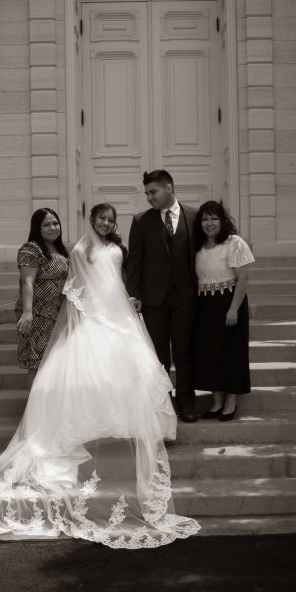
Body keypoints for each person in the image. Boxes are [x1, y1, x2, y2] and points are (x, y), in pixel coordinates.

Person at [0, 203, 200, 549]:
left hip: (120, 312)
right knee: (81, 370)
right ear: (91, 220)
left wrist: (129, 301)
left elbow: (121, 277)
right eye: (101, 218)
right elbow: (76, 285)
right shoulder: (80, 248)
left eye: (111, 220)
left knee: (132, 369)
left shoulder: (115, 247)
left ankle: (134, 423)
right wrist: (87, 313)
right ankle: (75, 423)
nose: (106, 223)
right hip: (94, 311)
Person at [126, 170, 198, 422]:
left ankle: (186, 402)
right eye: (147, 193)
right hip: (153, 299)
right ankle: (163, 404)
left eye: (153, 191)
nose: (149, 197)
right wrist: (134, 295)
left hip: (186, 297)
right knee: (159, 356)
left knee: (184, 352)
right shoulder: (141, 221)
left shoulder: (194, 216)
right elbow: (134, 262)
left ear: (168, 187)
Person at [191, 200, 255, 420]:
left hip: (229, 303)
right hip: (205, 304)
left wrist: (233, 309)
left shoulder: (233, 242)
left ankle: (231, 402)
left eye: (214, 218)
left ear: (222, 220)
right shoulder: (197, 246)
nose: (209, 223)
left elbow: (243, 278)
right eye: (205, 219)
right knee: (210, 354)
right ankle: (216, 402)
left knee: (232, 353)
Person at [15, 208, 70, 388]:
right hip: (37, 314)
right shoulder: (31, 249)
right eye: (46, 225)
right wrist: (27, 312)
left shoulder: (61, 250)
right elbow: (27, 281)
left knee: (55, 360)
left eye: (55, 223)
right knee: (37, 361)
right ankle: (35, 403)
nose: (53, 227)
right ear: (36, 228)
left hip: (58, 313)